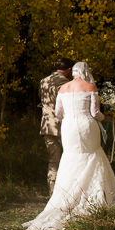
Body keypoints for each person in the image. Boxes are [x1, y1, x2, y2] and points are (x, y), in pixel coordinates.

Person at [24, 61, 115, 230]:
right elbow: (95, 113)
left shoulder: (63, 89)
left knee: (70, 158)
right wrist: (106, 117)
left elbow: (58, 113)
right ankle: (94, 197)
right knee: (93, 156)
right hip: (87, 126)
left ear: (73, 71)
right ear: (85, 72)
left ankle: (65, 199)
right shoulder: (90, 87)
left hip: (68, 127)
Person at [39, 58, 74, 196]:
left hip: (47, 125)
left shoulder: (43, 81)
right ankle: (65, 193)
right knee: (68, 159)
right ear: (69, 70)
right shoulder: (64, 83)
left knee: (53, 161)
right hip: (62, 125)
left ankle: (52, 193)